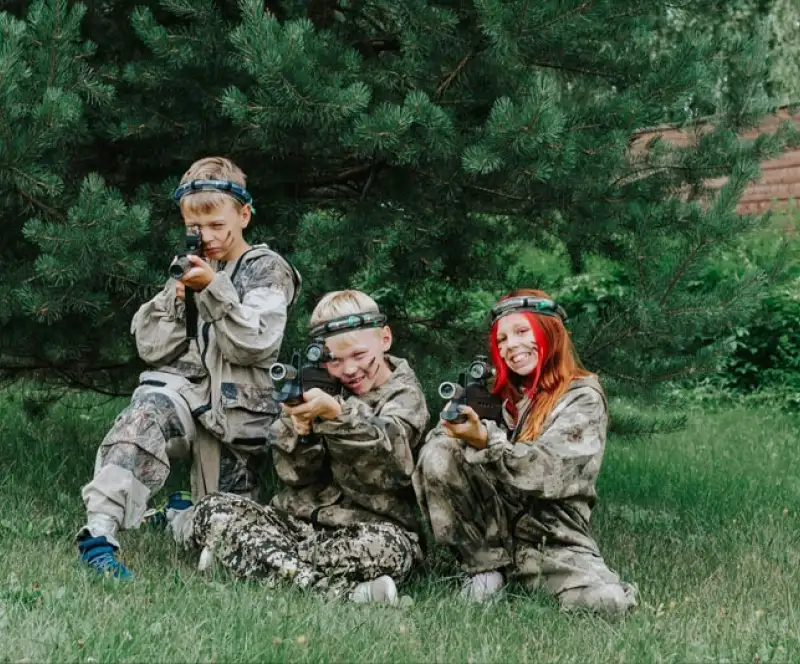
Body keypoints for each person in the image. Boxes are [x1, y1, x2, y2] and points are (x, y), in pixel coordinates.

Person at [76, 156, 301, 579]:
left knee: (220, 531)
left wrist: (212, 289)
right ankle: (99, 536)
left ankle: (179, 516)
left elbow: (254, 344)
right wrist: (177, 300)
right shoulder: (192, 263)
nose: (207, 237)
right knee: (142, 418)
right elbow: (151, 346)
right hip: (183, 394)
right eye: (195, 227)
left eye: (217, 225)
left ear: (244, 215)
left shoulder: (266, 269)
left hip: (235, 415)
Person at [191, 290, 429, 605]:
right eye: (335, 360)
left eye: (359, 355)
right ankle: (348, 593)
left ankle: (249, 559)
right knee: (211, 510)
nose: (348, 370)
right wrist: (299, 431)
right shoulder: (317, 386)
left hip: (370, 529)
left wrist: (338, 417)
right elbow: (294, 475)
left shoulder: (404, 395)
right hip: (298, 523)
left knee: (387, 550)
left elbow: (390, 465)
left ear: (385, 339)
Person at [413, 288, 637, 614]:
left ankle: (521, 575)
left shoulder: (581, 396)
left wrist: (485, 440)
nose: (511, 346)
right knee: (438, 451)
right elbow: (436, 460)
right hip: (493, 535)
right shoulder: (496, 396)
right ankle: (484, 571)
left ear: (550, 332)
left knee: (606, 603)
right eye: (502, 340)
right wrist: (453, 426)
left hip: (552, 538)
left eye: (522, 331)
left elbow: (550, 473)